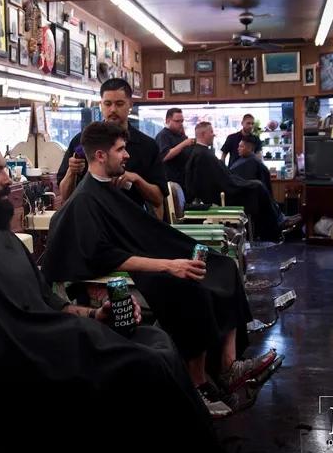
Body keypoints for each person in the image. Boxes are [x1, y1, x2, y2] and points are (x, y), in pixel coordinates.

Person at [0, 128, 237, 453]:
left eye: (5, 169)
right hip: (19, 373)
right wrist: (62, 336)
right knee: (145, 365)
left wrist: (92, 317)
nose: (8, 180)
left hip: (42, 342)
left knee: (156, 340)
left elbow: (42, 301)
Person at [43, 121, 275, 418]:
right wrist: (169, 265)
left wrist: (178, 256)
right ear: (100, 156)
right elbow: (104, 256)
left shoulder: (107, 190)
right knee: (190, 286)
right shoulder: (85, 199)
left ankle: (229, 365)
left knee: (222, 265)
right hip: (123, 275)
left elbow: (145, 230)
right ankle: (198, 383)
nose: (126, 155)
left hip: (142, 260)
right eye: (120, 149)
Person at [57, 78, 167, 213]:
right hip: (92, 220)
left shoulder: (147, 146)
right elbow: (65, 196)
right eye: (108, 104)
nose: (113, 110)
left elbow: (158, 199)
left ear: (130, 104)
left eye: (119, 104)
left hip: (131, 225)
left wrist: (137, 180)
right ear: (100, 104)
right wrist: (71, 172)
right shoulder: (83, 141)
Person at [186, 122, 300, 241]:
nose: (214, 135)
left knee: (256, 186)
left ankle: (278, 221)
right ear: (203, 134)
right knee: (258, 186)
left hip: (223, 190)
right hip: (222, 195)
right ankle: (276, 225)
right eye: (211, 132)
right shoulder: (203, 154)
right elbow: (219, 180)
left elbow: (222, 176)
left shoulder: (201, 152)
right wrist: (237, 183)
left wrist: (237, 181)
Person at [155, 107, 195, 185]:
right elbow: (164, 156)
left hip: (184, 179)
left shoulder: (181, 136)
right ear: (168, 121)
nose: (180, 124)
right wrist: (184, 144)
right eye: (177, 121)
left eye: (182, 121)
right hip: (171, 181)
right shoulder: (163, 135)